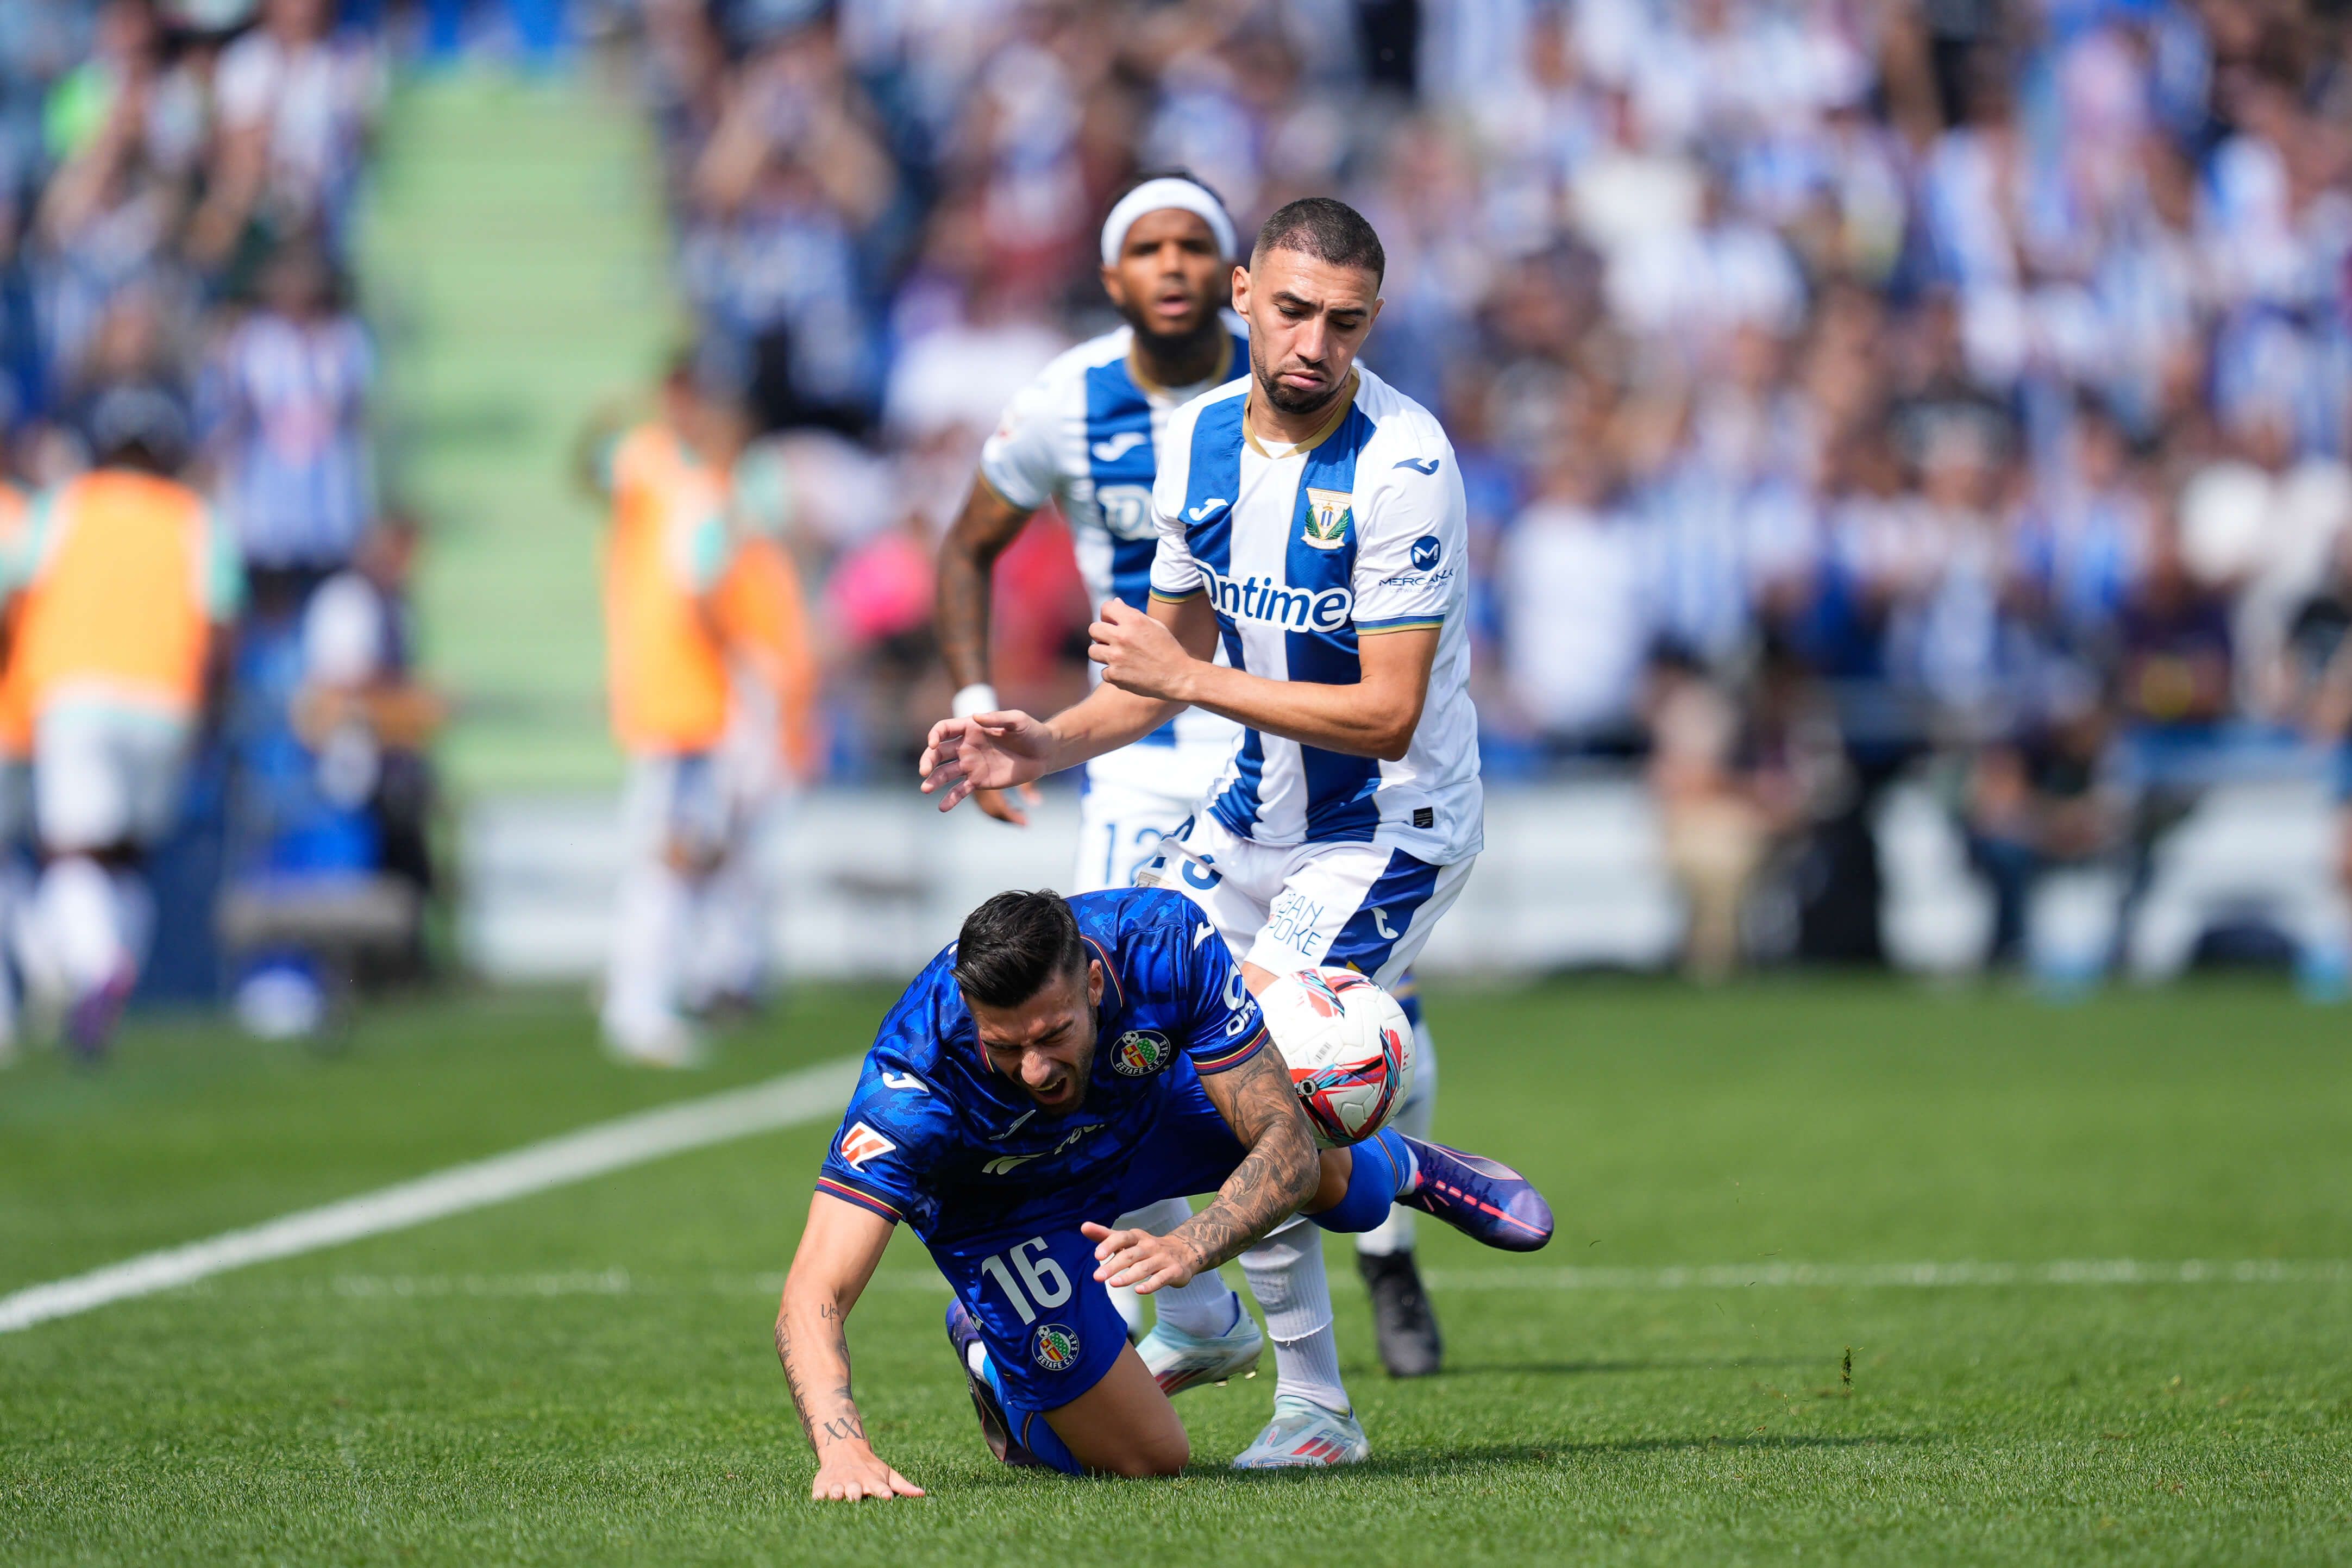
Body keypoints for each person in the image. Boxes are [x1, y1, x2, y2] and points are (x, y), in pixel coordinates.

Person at [920, 198, 1481, 1465]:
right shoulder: (1194, 445)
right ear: (1243, 297)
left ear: (1370, 325)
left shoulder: (1403, 464)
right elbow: (1157, 669)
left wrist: (1187, 685)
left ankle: (1318, 1408)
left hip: (1384, 830)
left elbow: (1386, 715)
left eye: (1343, 322)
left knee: (1254, 1069)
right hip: (1250, 808)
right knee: (1122, 1030)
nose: (1311, 343)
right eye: (1289, 310)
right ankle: (1216, 1317)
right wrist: (1043, 741)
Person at [775, 888, 1552, 1498]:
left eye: (1053, 1034)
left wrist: (1193, 1242)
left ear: (1093, 978)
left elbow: (1277, 1138)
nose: (1035, 1068)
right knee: (1146, 1460)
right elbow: (816, 1284)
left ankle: (1406, 1166)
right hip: (1006, 1212)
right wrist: (842, 1444)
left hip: (1140, 1123)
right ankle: (988, 1347)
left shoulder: (1162, 940)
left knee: (1322, 1168)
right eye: (1005, 1047)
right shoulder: (911, 1082)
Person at [7, 391, 240, 1056]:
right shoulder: (197, 518)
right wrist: (209, 712)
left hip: (73, 695)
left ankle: (98, 969)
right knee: (129, 855)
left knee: (72, 849)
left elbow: (14, 593)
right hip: (168, 702)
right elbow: (223, 626)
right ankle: (105, 987)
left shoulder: (64, 506)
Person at [585, 361, 773, 1065]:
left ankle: (650, 994)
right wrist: (747, 670)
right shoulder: (696, 495)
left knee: (679, 859)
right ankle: (640, 1004)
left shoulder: (698, 494)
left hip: (680, 702)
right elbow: (699, 598)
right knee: (664, 861)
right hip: (681, 703)